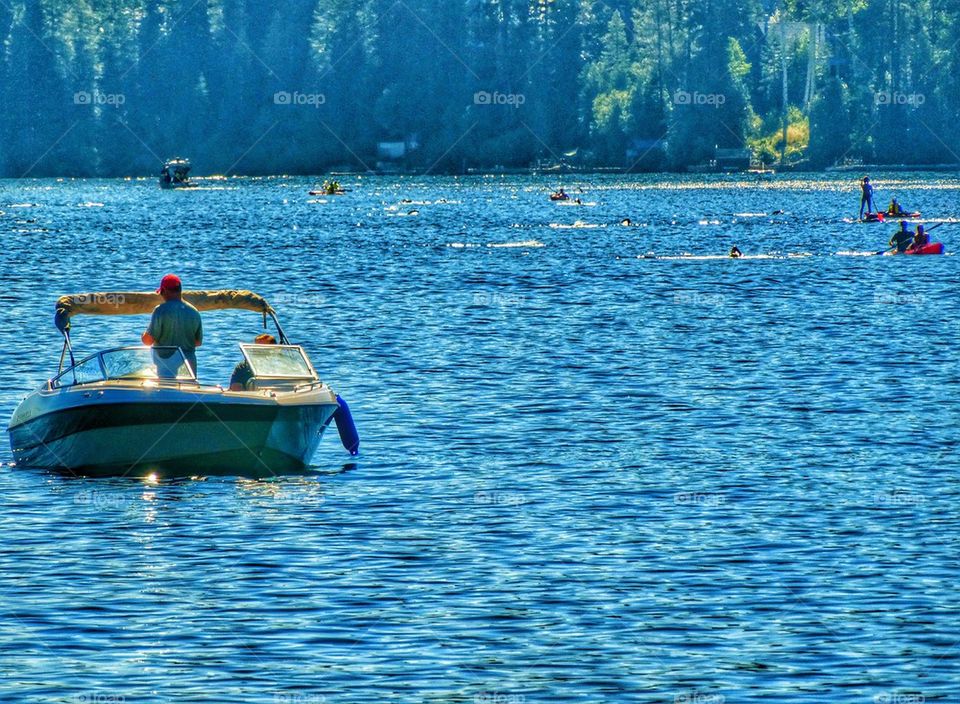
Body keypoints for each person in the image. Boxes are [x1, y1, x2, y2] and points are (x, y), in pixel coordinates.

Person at [142, 274, 203, 377]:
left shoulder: (160, 310)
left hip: (166, 370)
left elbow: (148, 341)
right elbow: (198, 342)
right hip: (188, 370)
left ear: (164, 290)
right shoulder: (194, 312)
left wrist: (144, 334)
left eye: (161, 292)